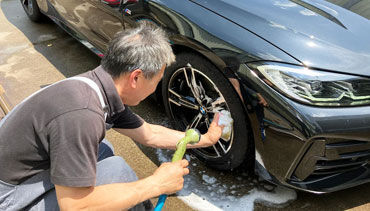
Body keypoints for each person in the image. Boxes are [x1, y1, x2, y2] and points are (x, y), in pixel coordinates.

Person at [0, 22, 223, 210]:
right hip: (9, 197)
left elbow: (149, 133)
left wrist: (206, 139)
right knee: (117, 171)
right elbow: (75, 206)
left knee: (103, 149)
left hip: (22, 173)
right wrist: (156, 184)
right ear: (135, 77)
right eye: (156, 81)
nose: (156, 88)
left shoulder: (96, 86)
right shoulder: (83, 113)